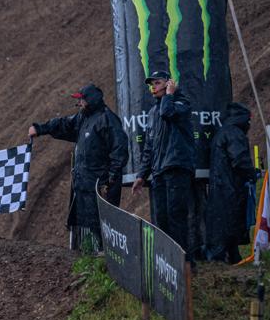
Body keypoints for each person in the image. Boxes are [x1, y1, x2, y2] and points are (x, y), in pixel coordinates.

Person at [28, 83, 128, 250]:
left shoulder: (107, 119)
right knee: (84, 225)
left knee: (101, 226)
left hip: (100, 185)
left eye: (82, 99)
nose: (79, 103)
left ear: (91, 100)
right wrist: (41, 128)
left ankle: (103, 262)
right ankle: (88, 259)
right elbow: (64, 124)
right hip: (83, 183)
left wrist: (111, 179)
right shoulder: (83, 118)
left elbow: (120, 150)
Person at [131, 70, 196, 254]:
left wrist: (170, 94)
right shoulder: (153, 112)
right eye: (151, 84)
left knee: (177, 216)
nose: (153, 87)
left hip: (177, 167)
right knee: (161, 219)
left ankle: (184, 261)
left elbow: (168, 113)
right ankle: (166, 262)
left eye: (157, 83)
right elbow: (149, 146)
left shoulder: (181, 103)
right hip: (158, 171)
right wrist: (141, 175)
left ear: (169, 84)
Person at [204, 102, 254, 263]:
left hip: (219, 186)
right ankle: (221, 258)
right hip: (230, 186)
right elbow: (239, 160)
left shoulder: (223, 132)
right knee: (229, 222)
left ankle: (230, 255)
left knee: (221, 222)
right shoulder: (235, 133)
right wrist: (252, 174)